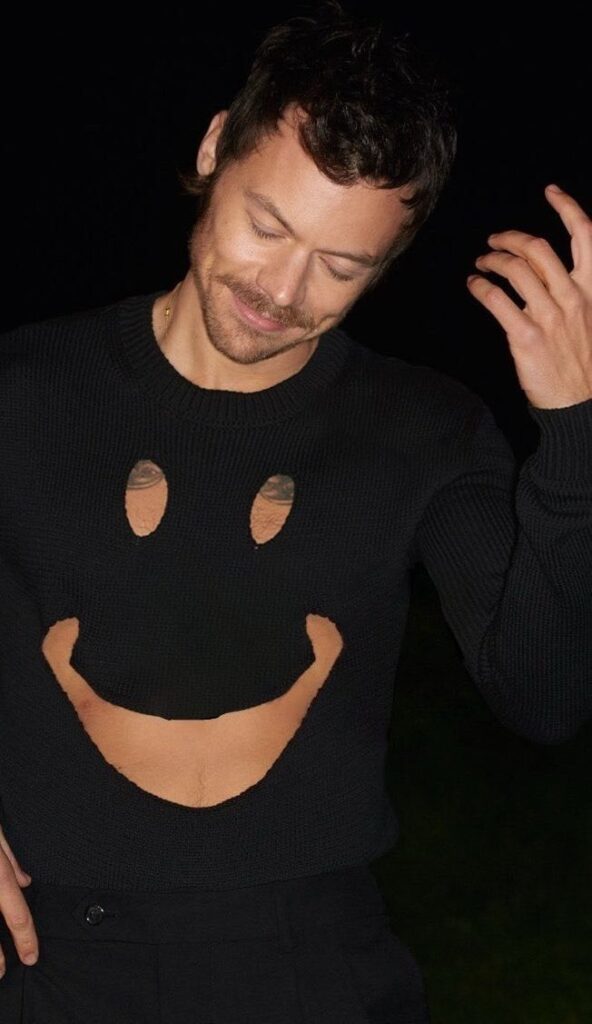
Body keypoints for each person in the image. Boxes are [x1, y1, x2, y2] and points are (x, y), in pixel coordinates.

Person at [0, 3, 590, 1021]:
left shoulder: (424, 430)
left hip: (314, 973)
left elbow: (546, 695)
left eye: (341, 265)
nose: (281, 289)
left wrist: (576, 434)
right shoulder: (25, 390)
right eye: (268, 226)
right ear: (214, 149)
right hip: (46, 966)